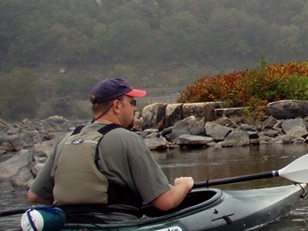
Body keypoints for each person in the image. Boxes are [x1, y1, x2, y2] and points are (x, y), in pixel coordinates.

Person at [27, 77, 195, 222]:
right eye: (132, 102)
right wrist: (184, 184)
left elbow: (35, 196)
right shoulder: (127, 138)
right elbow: (165, 201)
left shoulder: (67, 139)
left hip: (68, 227)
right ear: (116, 105)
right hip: (114, 227)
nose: (135, 108)